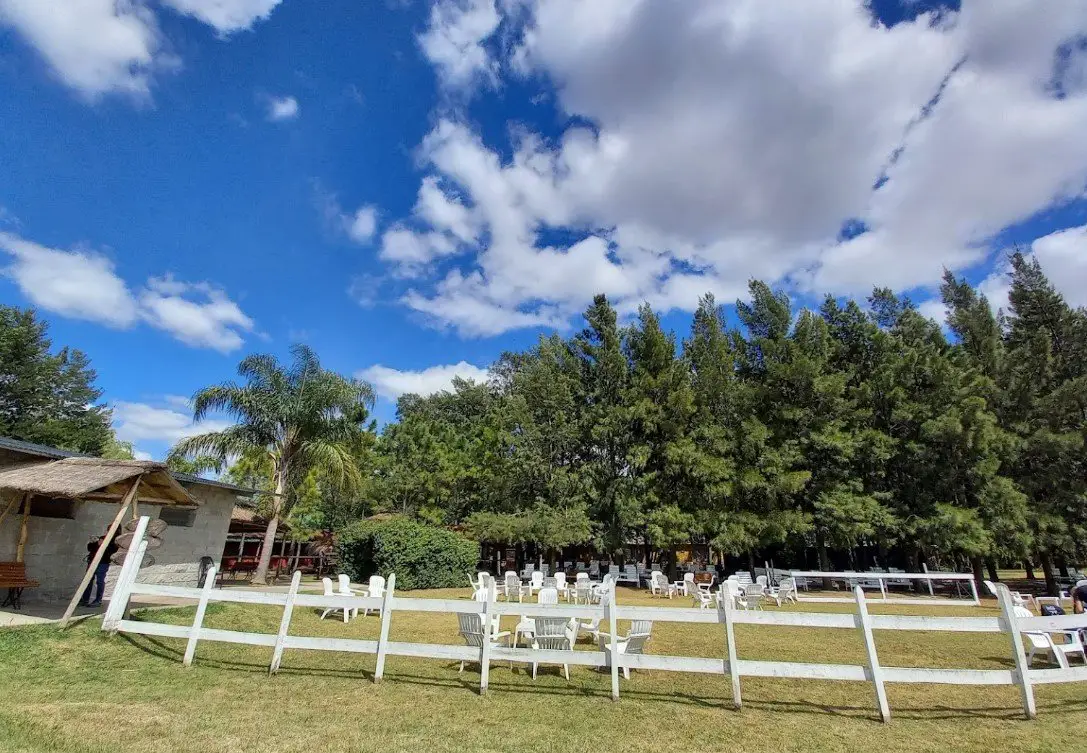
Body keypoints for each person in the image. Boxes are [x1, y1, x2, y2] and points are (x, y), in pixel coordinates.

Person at [79, 529, 118, 607]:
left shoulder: (114, 541)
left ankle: (98, 600)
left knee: (100, 581)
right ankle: (85, 599)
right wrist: (94, 542)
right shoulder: (102, 538)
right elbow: (90, 548)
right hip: (92, 562)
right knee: (87, 581)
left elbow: (112, 552)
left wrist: (104, 545)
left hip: (103, 563)